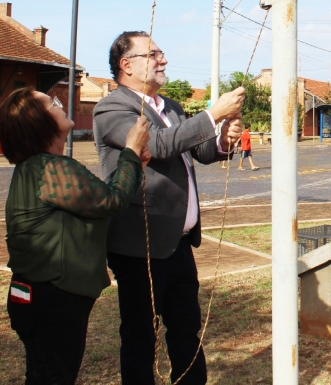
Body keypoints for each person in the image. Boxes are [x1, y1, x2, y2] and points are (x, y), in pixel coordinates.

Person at [93, 31, 244, 385]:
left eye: (161, 53)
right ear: (126, 65)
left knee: (186, 329)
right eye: (153, 54)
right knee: (140, 337)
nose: (163, 60)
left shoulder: (171, 106)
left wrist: (223, 138)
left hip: (178, 242)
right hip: (139, 246)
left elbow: (198, 151)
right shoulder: (112, 108)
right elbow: (157, 145)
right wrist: (212, 114)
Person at [0, 87, 151, 385]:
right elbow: (111, 200)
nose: (60, 104)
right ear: (39, 122)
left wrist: (132, 166)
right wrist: (131, 149)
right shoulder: (52, 168)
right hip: (53, 298)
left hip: (37, 295)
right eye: (51, 103)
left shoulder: (35, 167)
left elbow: (97, 199)